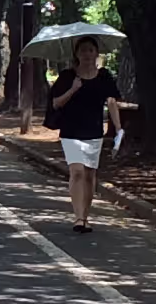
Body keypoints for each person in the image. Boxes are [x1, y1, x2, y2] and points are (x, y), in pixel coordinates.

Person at [46, 36, 124, 232]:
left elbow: (112, 102)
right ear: (76, 54)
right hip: (71, 130)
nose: (87, 54)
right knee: (77, 171)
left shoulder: (104, 76)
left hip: (94, 130)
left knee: (89, 175)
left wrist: (118, 128)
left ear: (96, 53)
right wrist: (73, 89)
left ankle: (85, 216)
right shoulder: (67, 76)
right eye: (83, 50)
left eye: (90, 50)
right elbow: (56, 103)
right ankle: (78, 217)